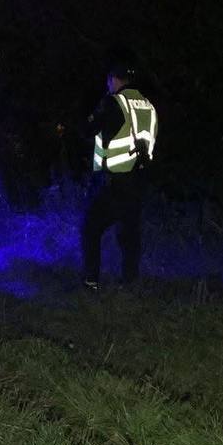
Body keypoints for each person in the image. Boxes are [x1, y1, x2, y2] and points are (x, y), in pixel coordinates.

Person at [82, 55, 157, 290]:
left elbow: (88, 129)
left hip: (116, 180)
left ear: (114, 80)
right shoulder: (147, 105)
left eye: (109, 81)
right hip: (140, 180)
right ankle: (130, 283)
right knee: (130, 234)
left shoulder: (113, 102)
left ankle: (91, 282)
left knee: (91, 228)